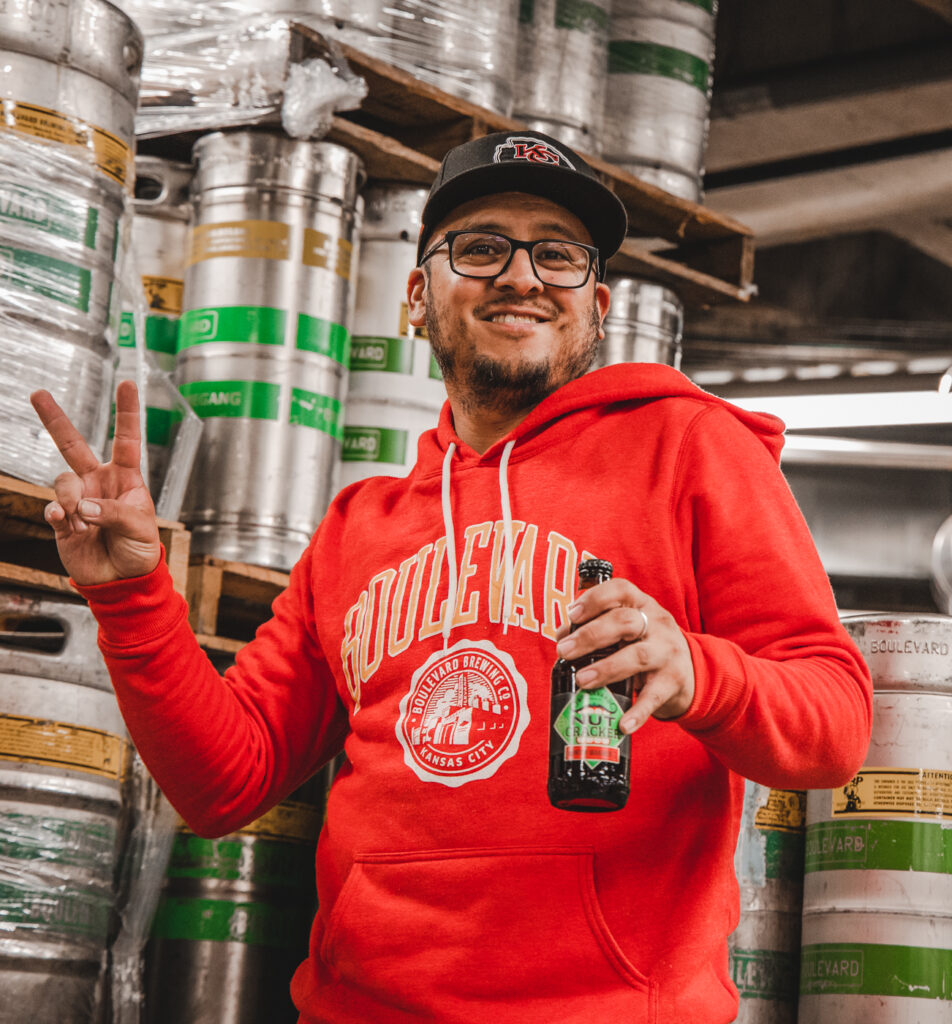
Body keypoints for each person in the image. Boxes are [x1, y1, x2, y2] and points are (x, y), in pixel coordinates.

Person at [31, 129, 872, 1024]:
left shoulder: (692, 451)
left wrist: (699, 673)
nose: (521, 276)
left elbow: (835, 725)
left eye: (558, 255)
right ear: (416, 298)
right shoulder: (359, 526)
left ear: (597, 303)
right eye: (479, 248)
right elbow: (222, 784)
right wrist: (129, 596)